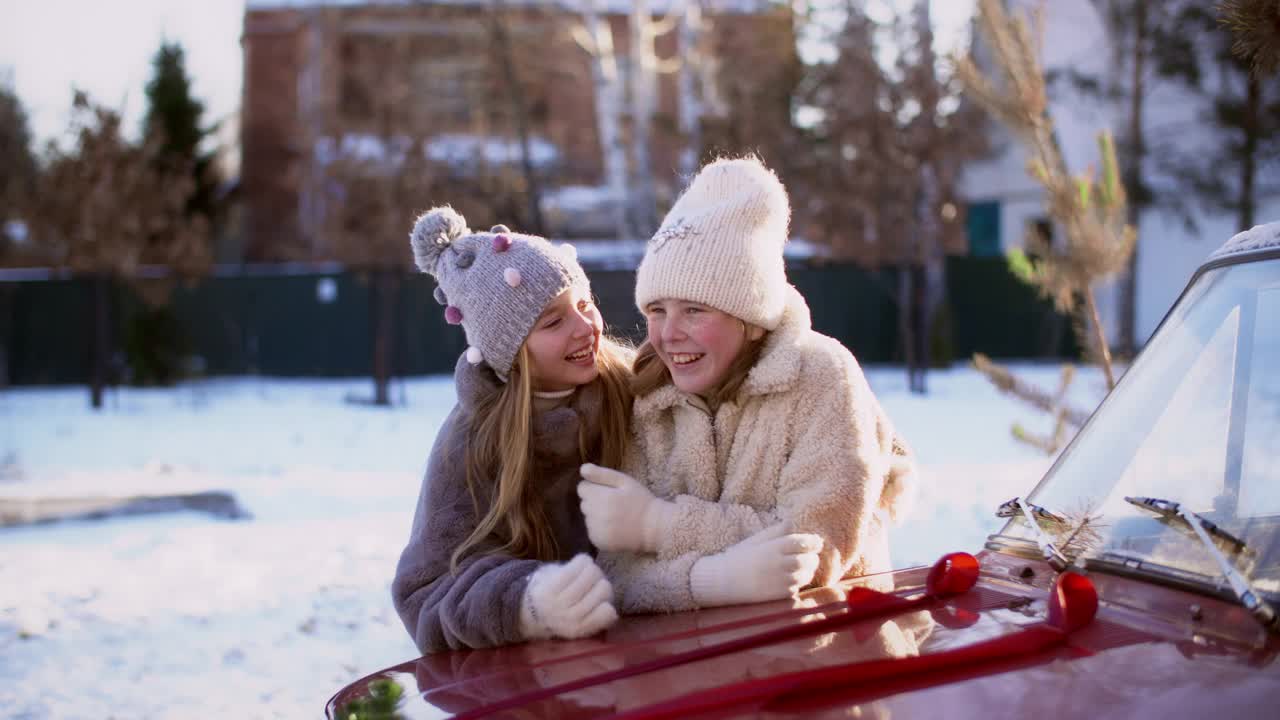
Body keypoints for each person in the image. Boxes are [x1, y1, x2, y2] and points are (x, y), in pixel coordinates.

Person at [578, 157, 917, 613]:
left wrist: (659, 526)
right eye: (657, 310)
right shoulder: (650, 397)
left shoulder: (820, 376)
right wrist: (707, 581)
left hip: (830, 650)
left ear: (752, 320)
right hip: (690, 669)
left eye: (694, 310)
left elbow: (814, 550)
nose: (667, 333)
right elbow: (617, 577)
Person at [393, 206, 633, 653]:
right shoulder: (470, 443)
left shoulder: (632, 390)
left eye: (585, 305)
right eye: (554, 321)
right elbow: (425, 593)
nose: (586, 328)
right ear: (511, 351)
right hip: (540, 681)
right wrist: (526, 603)